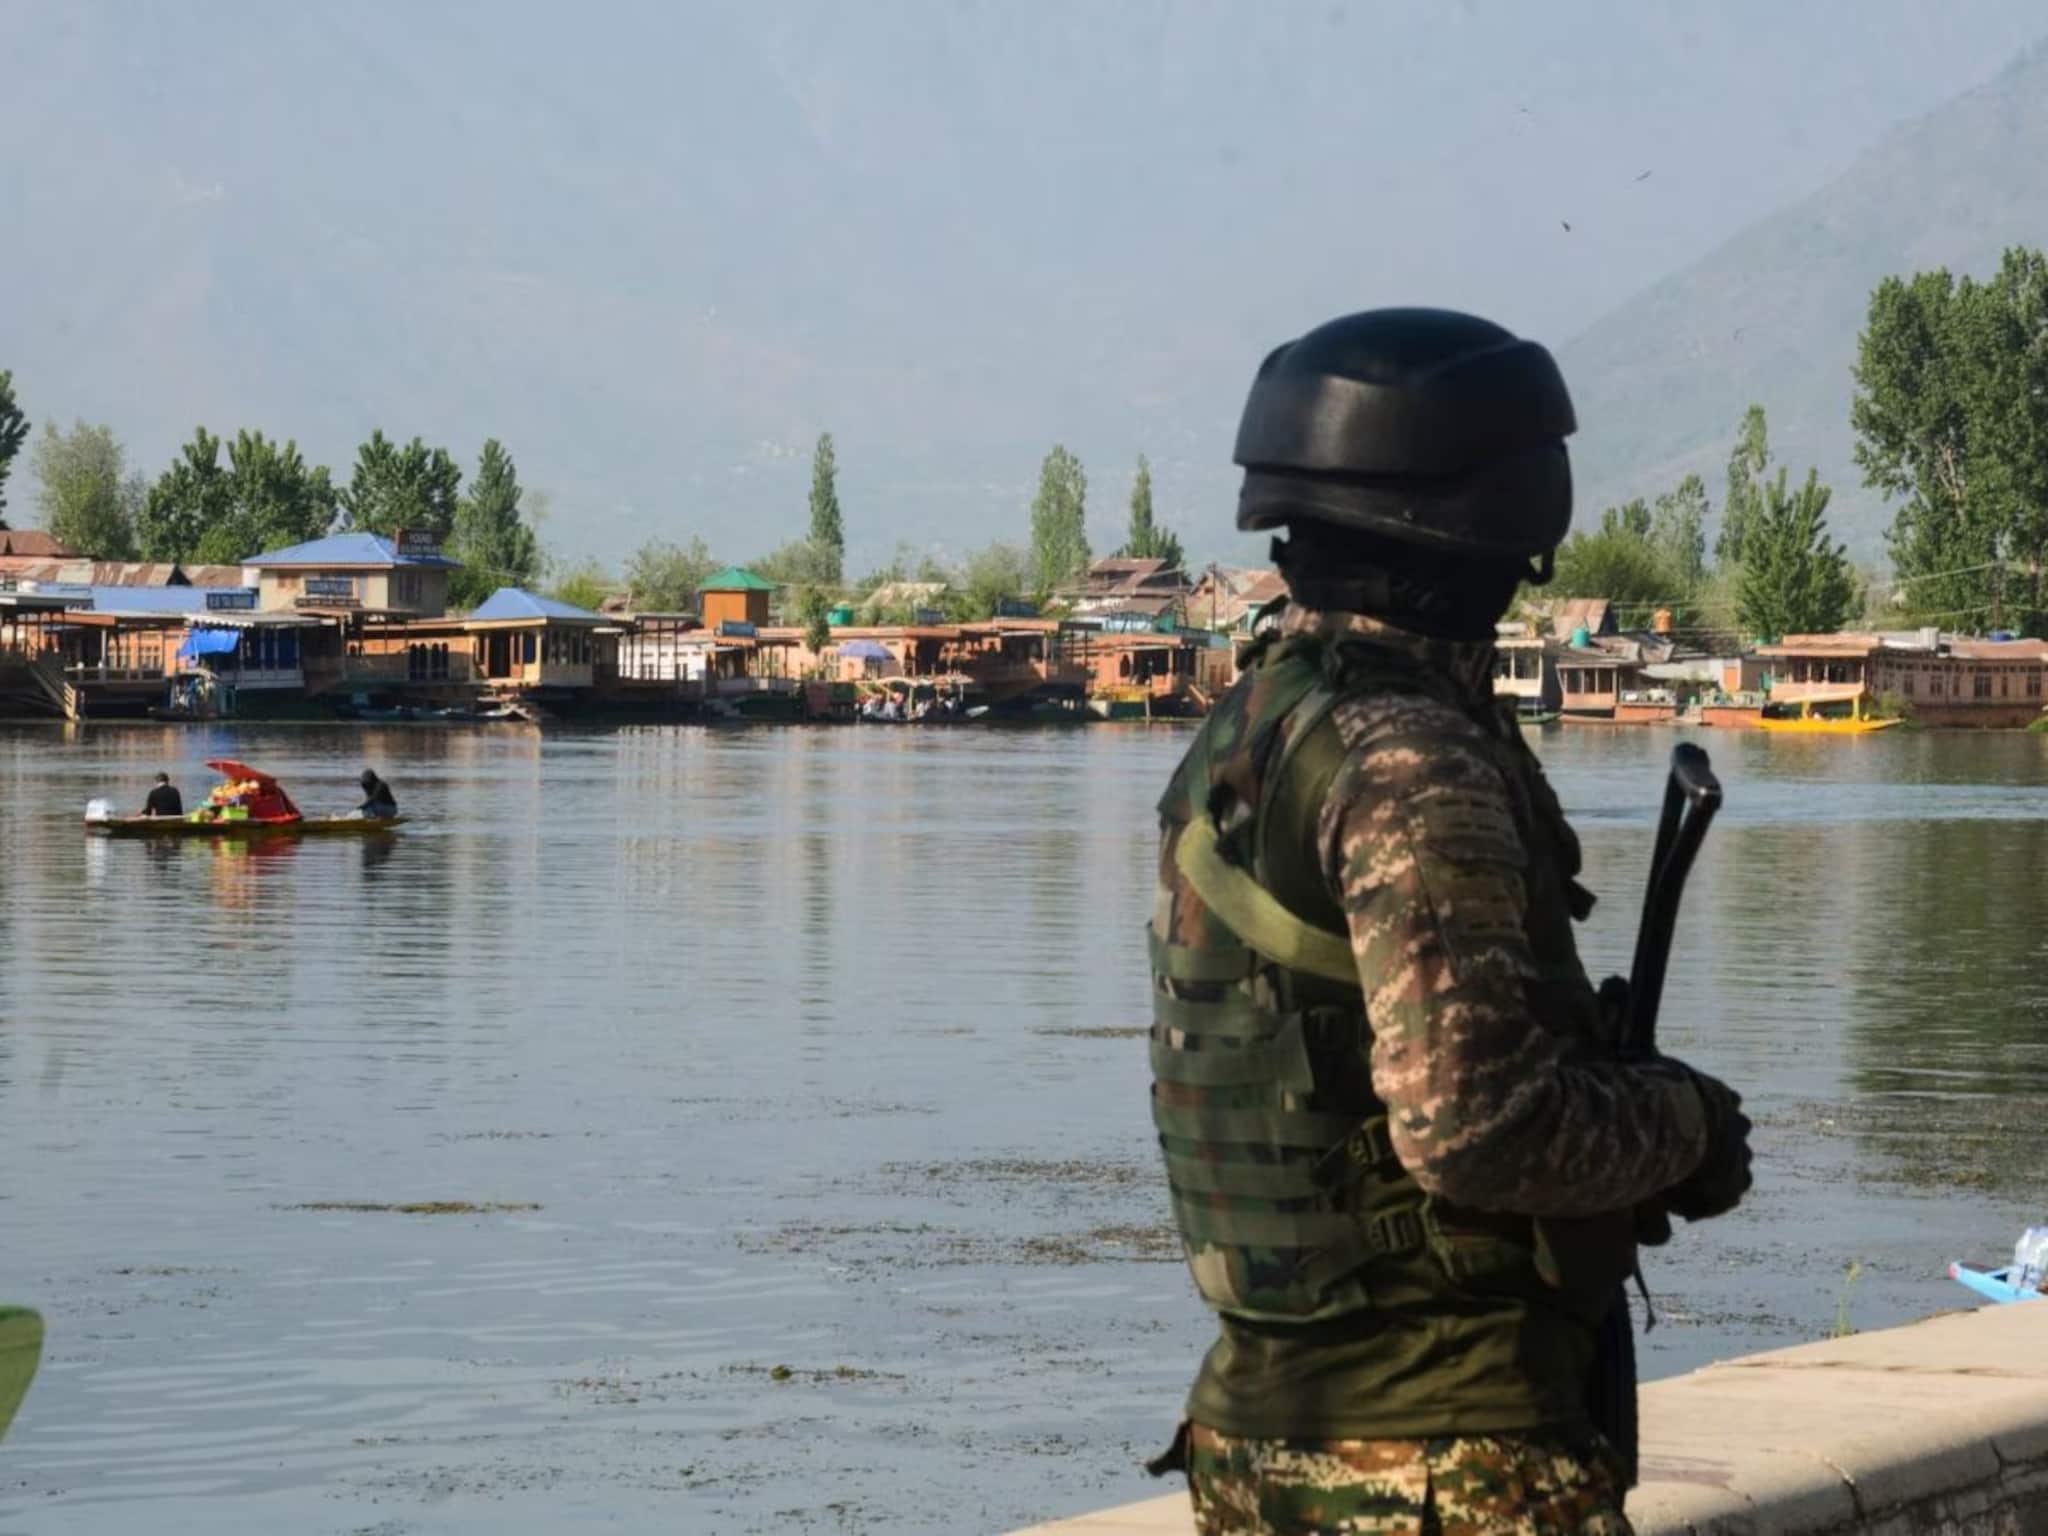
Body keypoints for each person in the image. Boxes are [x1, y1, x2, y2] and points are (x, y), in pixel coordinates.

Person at [1145, 309, 1753, 1536]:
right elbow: (1476, 1126)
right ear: (1505, 519)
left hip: (1269, 1444)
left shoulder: (1255, 726)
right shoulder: (1405, 759)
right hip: (1442, 1464)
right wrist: (1686, 1127)